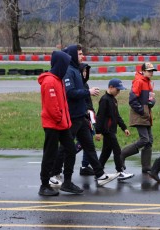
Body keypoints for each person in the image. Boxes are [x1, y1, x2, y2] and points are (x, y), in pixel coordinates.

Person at [50, 44, 115, 187]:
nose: (82, 56)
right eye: (80, 54)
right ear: (73, 55)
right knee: (66, 147)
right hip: (72, 117)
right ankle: (53, 174)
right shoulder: (69, 71)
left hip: (81, 116)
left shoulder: (76, 71)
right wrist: (88, 92)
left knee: (89, 146)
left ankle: (100, 175)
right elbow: (70, 92)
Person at [38, 50, 83, 196]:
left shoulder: (58, 79)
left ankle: (68, 182)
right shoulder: (49, 81)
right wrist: (60, 119)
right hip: (53, 125)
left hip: (62, 124)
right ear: (59, 64)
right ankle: (44, 185)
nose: (66, 67)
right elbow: (52, 107)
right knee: (49, 154)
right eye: (65, 64)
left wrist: (65, 121)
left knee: (71, 150)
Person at [95, 78, 134, 181]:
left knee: (106, 152)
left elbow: (117, 116)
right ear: (111, 87)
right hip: (106, 130)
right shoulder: (104, 99)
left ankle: (98, 171)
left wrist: (124, 127)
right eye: (117, 90)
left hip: (111, 129)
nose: (118, 92)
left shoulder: (113, 99)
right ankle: (120, 171)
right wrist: (98, 132)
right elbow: (100, 116)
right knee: (117, 150)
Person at [120, 62, 156, 173]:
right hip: (140, 115)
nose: (151, 73)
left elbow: (150, 99)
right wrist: (142, 111)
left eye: (152, 71)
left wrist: (152, 102)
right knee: (144, 139)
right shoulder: (139, 81)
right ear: (143, 71)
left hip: (146, 115)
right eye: (149, 71)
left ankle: (146, 167)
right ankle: (122, 154)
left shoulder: (148, 82)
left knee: (149, 141)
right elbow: (132, 100)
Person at [75, 63, 95, 176]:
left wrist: (92, 112)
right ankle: (61, 159)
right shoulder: (77, 85)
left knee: (89, 141)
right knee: (83, 142)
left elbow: (88, 102)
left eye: (86, 71)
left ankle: (85, 166)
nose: (85, 73)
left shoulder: (85, 85)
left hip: (87, 116)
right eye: (83, 71)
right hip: (78, 116)